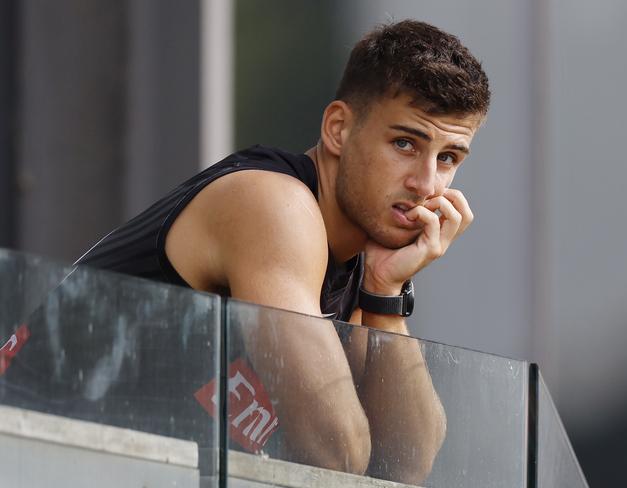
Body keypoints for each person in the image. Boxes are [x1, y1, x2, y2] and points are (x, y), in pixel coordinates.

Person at [77, 19, 490, 484]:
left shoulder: (356, 262)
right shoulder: (275, 206)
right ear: (338, 129)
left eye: (448, 158)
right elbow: (335, 452)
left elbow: (401, 469)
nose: (426, 184)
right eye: (404, 143)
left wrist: (385, 290)